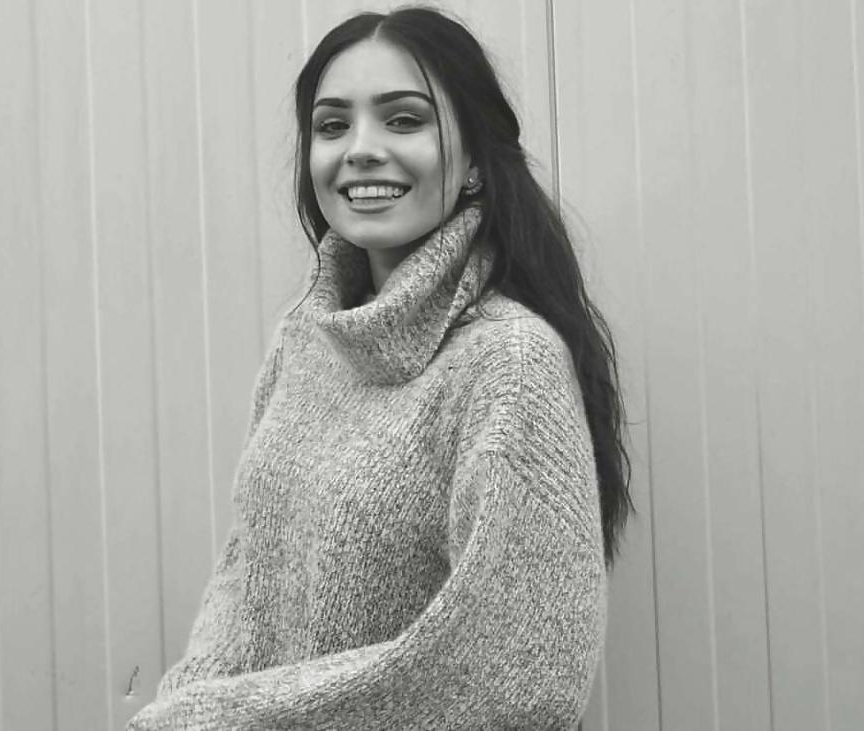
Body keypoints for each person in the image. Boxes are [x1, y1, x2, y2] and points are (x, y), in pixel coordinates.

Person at [127, 5, 632, 729]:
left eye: (403, 120)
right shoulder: (306, 342)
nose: (361, 149)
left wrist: (222, 719)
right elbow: (246, 581)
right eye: (333, 126)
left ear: (477, 162)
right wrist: (183, 706)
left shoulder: (509, 363)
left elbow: (518, 672)